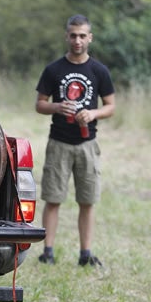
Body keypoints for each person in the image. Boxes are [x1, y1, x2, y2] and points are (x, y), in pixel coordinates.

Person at [34, 14, 116, 267]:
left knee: (87, 200)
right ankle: (47, 252)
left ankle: (85, 254)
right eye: (73, 35)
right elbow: (40, 104)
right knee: (53, 198)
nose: (77, 40)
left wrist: (92, 114)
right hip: (59, 142)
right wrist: (58, 107)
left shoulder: (99, 71)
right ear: (66, 37)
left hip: (87, 144)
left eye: (82, 36)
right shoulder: (54, 69)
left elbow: (111, 106)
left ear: (90, 38)